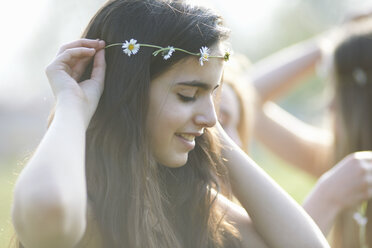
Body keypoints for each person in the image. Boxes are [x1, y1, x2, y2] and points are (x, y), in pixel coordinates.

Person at [11, 0, 330, 247]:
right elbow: (46, 209)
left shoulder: (190, 197)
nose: (211, 118)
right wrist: (72, 105)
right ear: (129, 94)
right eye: (188, 94)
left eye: (214, 94)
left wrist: (210, 127)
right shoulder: (86, 202)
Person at [249, 17, 372, 247]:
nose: (330, 106)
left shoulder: (342, 167)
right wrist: (332, 39)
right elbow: (243, 98)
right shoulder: (343, 166)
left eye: (339, 93)